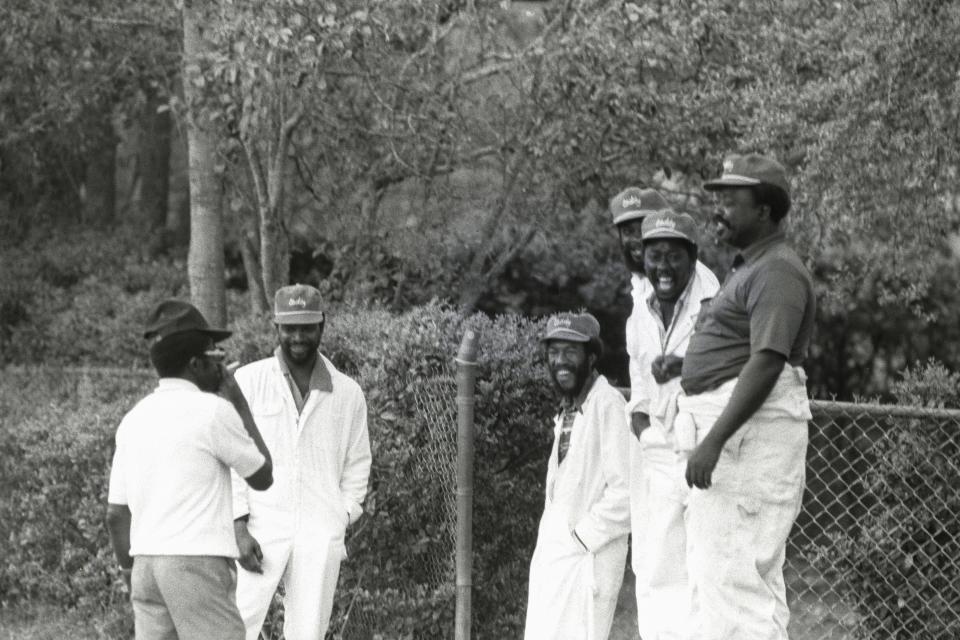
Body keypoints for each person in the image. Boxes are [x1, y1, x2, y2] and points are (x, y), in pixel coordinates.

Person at [678, 154, 815, 640]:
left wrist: (714, 440)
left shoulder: (777, 270)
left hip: (744, 442)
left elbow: (767, 360)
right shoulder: (753, 267)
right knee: (733, 585)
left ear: (764, 211)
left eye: (731, 202)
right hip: (739, 439)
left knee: (735, 587)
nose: (720, 211)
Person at [106, 299, 273, 640]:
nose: (221, 368)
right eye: (216, 358)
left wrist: (128, 570)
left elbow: (115, 514)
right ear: (196, 364)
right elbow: (263, 475)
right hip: (196, 564)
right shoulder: (213, 411)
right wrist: (238, 402)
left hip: (146, 566)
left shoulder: (134, 419)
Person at [231, 284, 371, 640]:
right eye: (289, 327)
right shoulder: (248, 381)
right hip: (260, 523)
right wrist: (238, 525)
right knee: (236, 624)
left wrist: (341, 514)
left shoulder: (348, 393)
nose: (298, 336)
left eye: (306, 327)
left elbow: (358, 464)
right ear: (276, 327)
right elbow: (231, 457)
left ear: (321, 326)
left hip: (319, 526)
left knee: (308, 630)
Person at [621, 210, 718, 640]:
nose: (663, 266)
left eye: (673, 256)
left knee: (705, 565)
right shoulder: (638, 309)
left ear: (693, 257)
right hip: (657, 449)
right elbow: (639, 382)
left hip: (702, 450)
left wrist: (684, 366)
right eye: (653, 255)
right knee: (655, 564)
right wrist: (642, 426)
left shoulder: (714, 301)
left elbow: (734, 369)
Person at [524, 312, 631, 640]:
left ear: (592, 356)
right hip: (558, 559)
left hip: (588, 560)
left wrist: (579, 538)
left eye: (571, 352)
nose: (560, 361)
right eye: (554, 353)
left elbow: (627, 493)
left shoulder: (609, 406)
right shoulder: (569, 408)